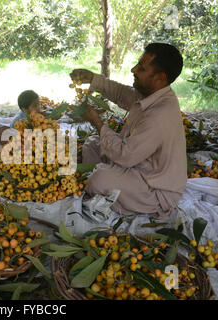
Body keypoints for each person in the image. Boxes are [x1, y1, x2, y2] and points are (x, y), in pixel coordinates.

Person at [70, 43, 187, 218]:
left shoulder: (160, 114)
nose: (133, 69)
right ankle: (109, 180)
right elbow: (122, 94)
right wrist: (93, 78)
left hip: (154, 188)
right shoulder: (152, 94)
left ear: (160, 78)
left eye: (141, 67)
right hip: (137, 164)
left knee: (99, 178)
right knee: (93, 144)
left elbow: (126, 156)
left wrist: (97, 122)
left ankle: (105, 182)